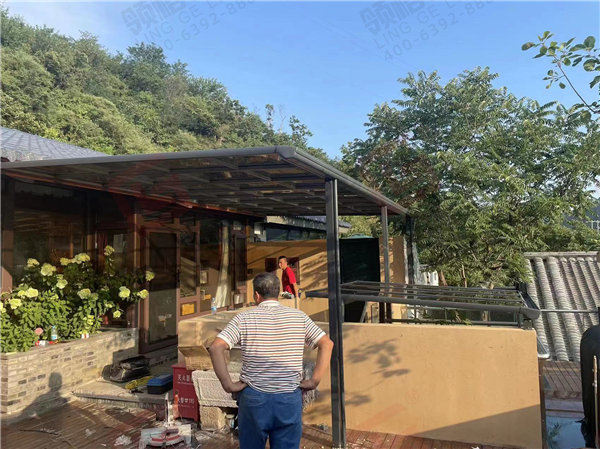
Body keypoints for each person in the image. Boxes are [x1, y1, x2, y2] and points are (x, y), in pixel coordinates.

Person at [209, 272, 334, 449]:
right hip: (289, 397)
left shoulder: (243, 318)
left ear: (256, 295)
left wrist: (228, 384)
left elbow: (216, 347)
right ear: (278, 292)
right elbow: (327, 344)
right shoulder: (299, 317)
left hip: (254, 398)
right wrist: (314, 381)